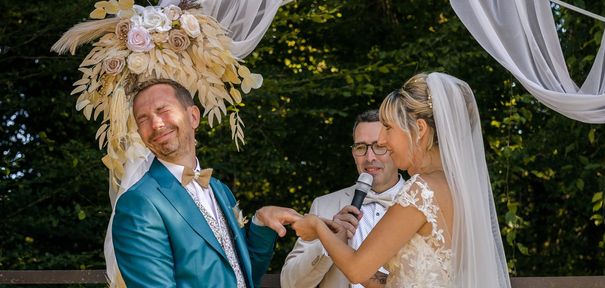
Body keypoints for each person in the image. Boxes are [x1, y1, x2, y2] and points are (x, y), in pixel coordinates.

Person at [292, 72, 511, 287]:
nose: (382, 140)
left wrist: (317, 226)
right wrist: (339, 244)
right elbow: (396, 281)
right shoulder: (461, 190)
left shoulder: (422, 190)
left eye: (388, 128)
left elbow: (356, 270)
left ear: (420, 130)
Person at [112, 78, 301, 288]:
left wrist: (261, 224)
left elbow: (242, 275)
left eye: (163, 110)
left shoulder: (221, 190)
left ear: (193, 116)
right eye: (143, 119)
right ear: (140, 134)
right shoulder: (138, 203)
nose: (156, 124)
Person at [281, 110, 404, 288]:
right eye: (361, 147)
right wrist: (328, 244)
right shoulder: (323, 205)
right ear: (354, 153)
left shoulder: (422, 203)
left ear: (395, 149)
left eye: (379, 146)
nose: (370, 157)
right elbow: (290, 284)